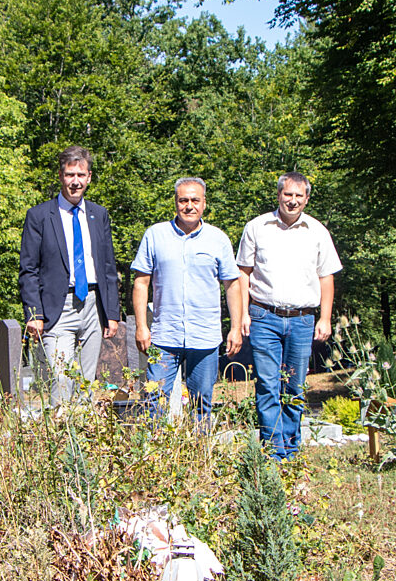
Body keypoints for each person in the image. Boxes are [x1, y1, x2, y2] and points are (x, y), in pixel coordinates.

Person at [236, 172, 342, 459]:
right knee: (268, 385)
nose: (292, 201)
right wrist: (243, 313)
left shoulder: (318, 231)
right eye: (288, 194)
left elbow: (326, 277)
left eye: (299, 196)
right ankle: (272, 451)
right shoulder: (257, 227)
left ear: (306, 198)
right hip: (263, 316)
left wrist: (325, 318)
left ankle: (290, 451)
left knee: (294, 385)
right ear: (279, 195)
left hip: (302, 319)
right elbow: (243, 273)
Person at [132, 177, 242, 422]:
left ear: (204, 204)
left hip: (204, 337)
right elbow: (141, 283)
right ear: (176, 203)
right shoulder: (155, 235)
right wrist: (141, 326)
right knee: (154, 401)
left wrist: (235, 328)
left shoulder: (218, 239)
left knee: (201, 404)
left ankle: (199, 456)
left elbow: (232, 285)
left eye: (195, 200)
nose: (189, 206)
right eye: (183, 200)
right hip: (164, 337)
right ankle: (155, 457)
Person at [19, 145, 120, 404]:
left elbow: (108, 266)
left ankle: (82, 438)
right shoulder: (39, 216)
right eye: (69, 175)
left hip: (93, 305)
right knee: (62, 379)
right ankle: (59, 437)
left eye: (80, 175)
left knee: (86, 381)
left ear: (89, 178)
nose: (75, 182)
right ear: (61, 176)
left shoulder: (99, 214)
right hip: (57, 307)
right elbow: (28, 269)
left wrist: (112, 313)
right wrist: (34, 314)